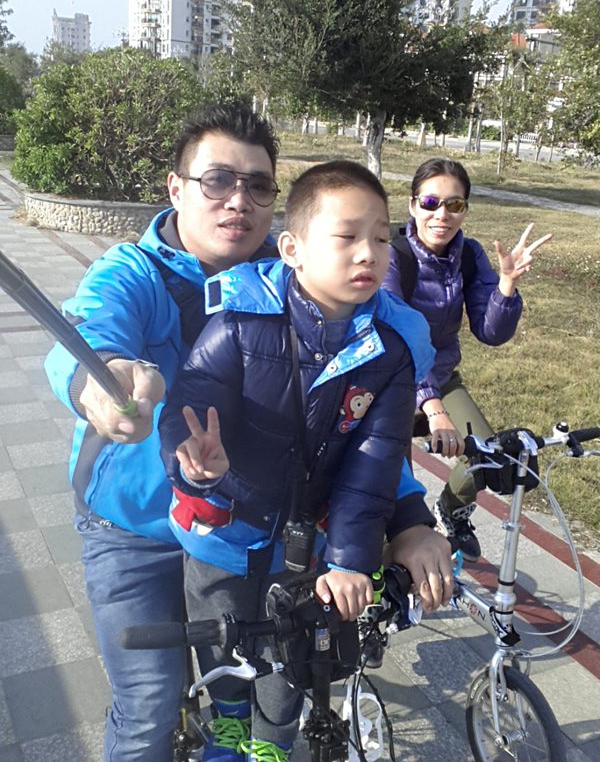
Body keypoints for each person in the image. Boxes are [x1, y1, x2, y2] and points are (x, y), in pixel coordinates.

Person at [43, 106, 452, 762]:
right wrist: (103, 382)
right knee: (150, 705)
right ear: (176, 187)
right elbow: (87, 335)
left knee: (272, 681)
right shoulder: (133, 273)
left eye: (258, 185)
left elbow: (357, 420)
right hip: (134, 528)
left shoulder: (304, 285)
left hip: (253, 533)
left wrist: (408, 519)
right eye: (217, 180)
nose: (239, 200)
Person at [159, 160, 437, 762]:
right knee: (224, 647)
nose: (368, 253)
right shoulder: (240, 323)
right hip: (222, 532)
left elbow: (373, 465)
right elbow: (190, 404)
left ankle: (273, 745)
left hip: (304, 544)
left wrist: (350, 560)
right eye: (347, 236)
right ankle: (228, 729)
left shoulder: (389, 353)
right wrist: (192, 462)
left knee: (289, 657)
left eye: (381, 238)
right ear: (292, 250)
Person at [382, 157, 552, 562]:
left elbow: (491, 333)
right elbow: (397, 340)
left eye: (454, 205)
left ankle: (451, 510)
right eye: (430, 202)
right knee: (395, 495)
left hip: (441, 377)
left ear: (464, 210)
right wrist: (434, 409)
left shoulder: (469, 255)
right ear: (412, 205)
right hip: (391, 384)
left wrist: (506, 286)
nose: (442, 214)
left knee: (489, 456)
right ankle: (386, 576)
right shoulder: (393, 256)